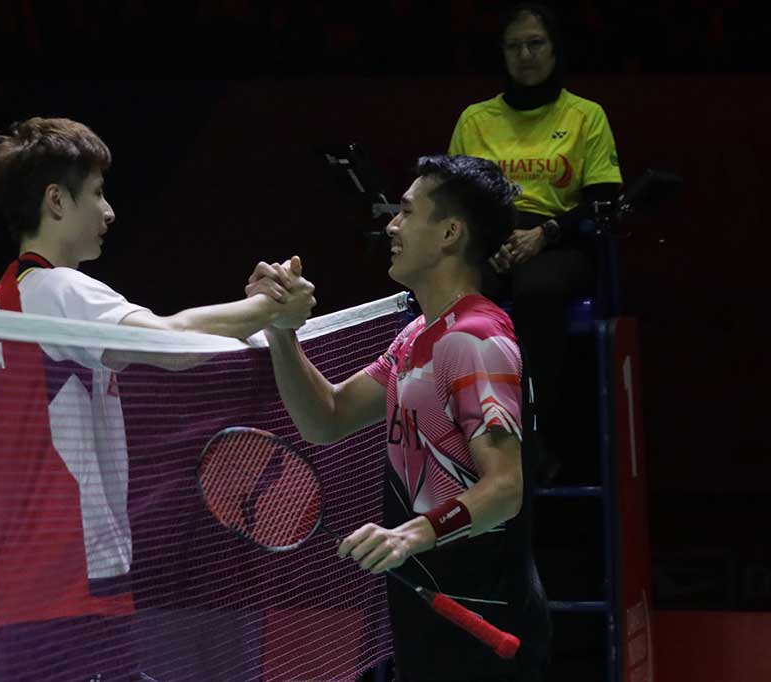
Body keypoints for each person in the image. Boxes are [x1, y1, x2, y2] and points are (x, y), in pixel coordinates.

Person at [0, 116, 315, 681]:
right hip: (74, 580)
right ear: (56, 201)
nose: (109, 212)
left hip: (22, 593)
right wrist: (272, 308)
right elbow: (170, 343)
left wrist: (254, 315)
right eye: (97, 193)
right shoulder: (59, 289)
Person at [247, 155, 550, 681]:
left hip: (485, 617)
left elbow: (505, 488)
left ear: (450, 233)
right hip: (429, 609)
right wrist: (281, 330)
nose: (391, 226)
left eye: (407, 212)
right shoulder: (417, 336)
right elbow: (327, 418)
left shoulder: (475, 339)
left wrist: (409, 536)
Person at [448, 3, 623, 483]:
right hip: (492, 240)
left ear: (554, 49)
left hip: (559, 239)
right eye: (514, 46)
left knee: (537, 292)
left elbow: (603, 199)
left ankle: (530, 437)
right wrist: (489, 241)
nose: (525, 55)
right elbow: (455, 200)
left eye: (535, 44)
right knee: (458, 297)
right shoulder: (475, 119)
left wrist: (545, 234)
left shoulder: (585, 115)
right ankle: (462, 437)